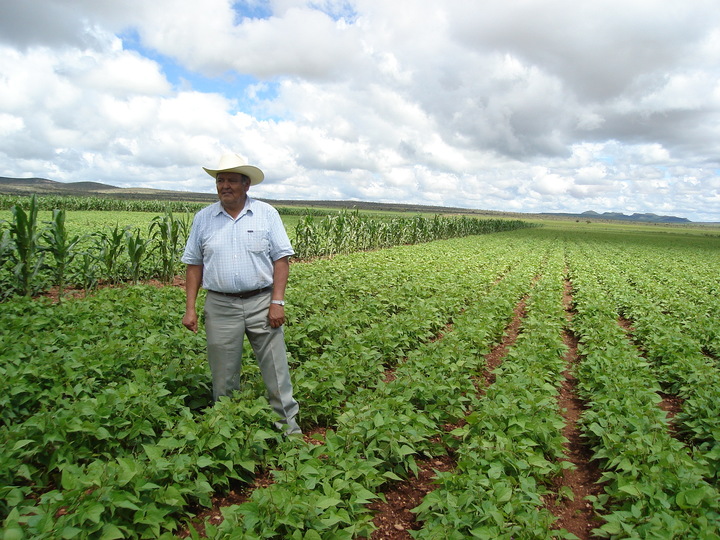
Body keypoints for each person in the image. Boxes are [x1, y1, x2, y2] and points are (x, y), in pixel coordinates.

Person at [181, 153, 301, 436]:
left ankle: (288, 431)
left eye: (231, 180)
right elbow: (193, 264)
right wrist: (190, 308)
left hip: (262, 301)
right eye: (220, 180)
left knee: (276, 370)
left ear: (246, 185)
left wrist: (277, 302)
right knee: (223, 375)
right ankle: (228, 431)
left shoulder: (266, 214)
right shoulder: (204, 219)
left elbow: (281, 260)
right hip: (220, 305)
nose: (225, 186)